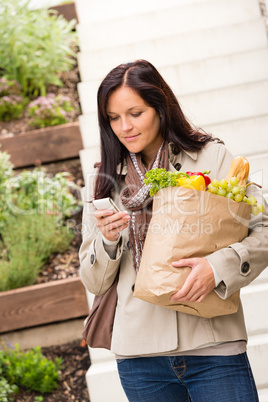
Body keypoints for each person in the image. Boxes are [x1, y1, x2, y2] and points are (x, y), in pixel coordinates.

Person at [79, 59, 268, 401]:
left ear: (161, 108)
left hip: (213, 345)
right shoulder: (102, 181)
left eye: (135, 113)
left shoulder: (212, 158)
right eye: (113, 117)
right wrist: (107, 241)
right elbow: (93, 282)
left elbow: (263, 229)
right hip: (141, 358)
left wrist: (217, 267)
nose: (125, 127)